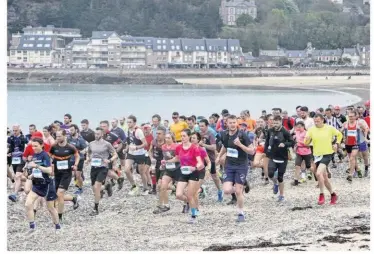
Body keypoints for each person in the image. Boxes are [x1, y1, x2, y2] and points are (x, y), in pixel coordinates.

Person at [216, 115, 255, 222]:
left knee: (238, 192)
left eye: (234, 122)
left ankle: (241, 213)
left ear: (236, 123)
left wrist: (240, 144)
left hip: (241, 165)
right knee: (227, 190)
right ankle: (242, 186)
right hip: (229, 165)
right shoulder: (224, 134)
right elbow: (225, 146)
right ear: (226, 124)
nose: (232, 125)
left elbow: (252, 151)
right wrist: (219, 156)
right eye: (230, 123)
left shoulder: (242, 135)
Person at [166, 129, 204, 224]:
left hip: (193, 173)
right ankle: (192, 204)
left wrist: (195, 167)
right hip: (183, 172)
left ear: (189, 137)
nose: (182, 138)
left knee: (190, 194)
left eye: (184, 136)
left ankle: (193, 215)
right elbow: (177, 158)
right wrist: (168, 161)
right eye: (181, 136)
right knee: (178, 194)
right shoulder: (179, 148)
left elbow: (200, 163)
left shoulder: (194, 148)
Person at [24, 138, 60, 233]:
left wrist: (36, 166)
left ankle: (57, 226)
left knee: (50, 208)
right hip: (37, 184)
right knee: (28, 204)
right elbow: (37, 170)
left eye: (36, 146)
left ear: (42, 145)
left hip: (47, 184)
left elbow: (49, 170)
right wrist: (32, 175)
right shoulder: (35, 155)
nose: (34, 148)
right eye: (32, 146)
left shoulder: (45, 156)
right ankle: (32, 226)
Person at [305, 114, 342, 205]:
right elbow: (306, 143)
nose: (316, 123)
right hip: (317, 155)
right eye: (315, 121)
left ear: (322, 120)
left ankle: (321, 195)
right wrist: (307, 140)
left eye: (318, 121)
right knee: (324, 178)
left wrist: (336, 144)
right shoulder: (311, 130)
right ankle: (333, 195)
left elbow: (339, 134)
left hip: (327, 154)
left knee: (318, 173)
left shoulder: (329, 128)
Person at [85, 127, 118, 216]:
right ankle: (107, 186)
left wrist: (110, 160)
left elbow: (115, 154)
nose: (96, 135)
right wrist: (88, 159)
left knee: (96, 187)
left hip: (103, 167)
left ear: (102, 134)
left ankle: (95, 208)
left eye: (98, 134)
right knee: (95, 189)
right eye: (95, 134)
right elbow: (88, 153)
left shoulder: (107, 144)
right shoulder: (91, 144)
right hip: (94, 167)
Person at [49, 130, 80, 222]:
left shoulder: (70, 147)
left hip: (66, 173)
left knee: (60, 193)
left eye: (59, 136)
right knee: (56, 195)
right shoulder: (54, 147)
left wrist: (75, 165)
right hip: (57, 173)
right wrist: (50, 164)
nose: (57, 138)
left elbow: (77, 156)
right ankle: (73, 198)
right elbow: (49, 156)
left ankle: (60, 217)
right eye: (56, 137)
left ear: (64, 136)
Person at [265, 115, 294, 201]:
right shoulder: (270, 131)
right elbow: (267, 142)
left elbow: (292, 142)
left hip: (283, 157)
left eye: (277, 123)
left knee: (280, 177)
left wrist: (284, 144)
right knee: (270, 174)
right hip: (273, 156)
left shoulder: (285, 131)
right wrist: (266, 152)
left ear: (280, 122)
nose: (275, 124)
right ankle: (275, 184)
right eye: (274, 123)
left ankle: (281, 195)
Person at [153, 132, 179, 214]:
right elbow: (164, 157)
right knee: (162, 186)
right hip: (168, 169)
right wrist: (163, 164)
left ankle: (187, 203)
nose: (167, 140)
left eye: (169, 138)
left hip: (178, 168)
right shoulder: (163, 147)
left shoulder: (177, 146)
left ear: (172, 139)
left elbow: (178, 158)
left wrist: (168, 160)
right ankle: (165, 205)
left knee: (181, 190)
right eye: (166, 138)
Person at [124, 115, 149, 195]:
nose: (128, 124)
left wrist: (137, 147)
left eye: (130, 122)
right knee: (126, 170)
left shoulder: (138, 131)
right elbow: (129, 142)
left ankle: (145, 188)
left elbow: (145, 144)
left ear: (134, 122)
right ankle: (134, 186)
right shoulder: (127, 130)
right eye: (127, 122)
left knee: (142, 172)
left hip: (140, 153)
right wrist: (126, 148)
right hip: (131, 153)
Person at [198, 119, 223, 201]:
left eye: (202, 126)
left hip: (210, 158)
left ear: (207, 126)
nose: (200, 128)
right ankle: (200, 190)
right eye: (199, 126)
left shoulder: (211, 134)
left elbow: (214, 147)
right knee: (198, 175)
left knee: (214, 176)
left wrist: (203, 145)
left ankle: (219, 191)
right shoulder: (198, 133)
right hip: (200, 158)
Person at [343, 111, 370, 180]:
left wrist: (366, 137)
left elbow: (367, 129)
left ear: (356, 116)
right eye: (349, 116)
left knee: (364, 156)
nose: (350, 118)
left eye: (352, 116)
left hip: (361, 141)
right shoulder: (346, 123)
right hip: (352, 144)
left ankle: (366, 168)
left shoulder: (361, 122)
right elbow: (342, 131)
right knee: (353, 157)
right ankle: (355, 171)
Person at [7, 124, 28, 202]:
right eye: (13, 130)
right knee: (18, 177)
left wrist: (26, 156)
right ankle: (27, 186)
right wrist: (6, 154)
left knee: (17, 176)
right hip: (14, 159)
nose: (15, 132)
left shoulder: (24, 138)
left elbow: (27, 147)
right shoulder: (10, 138)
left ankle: (14, 194)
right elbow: (8, 147)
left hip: (21, 159)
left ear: (19, 130)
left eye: (16, 130)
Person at [67, 124, 87, 195]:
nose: (71, 131)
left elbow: (85, 149)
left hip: (80, 159)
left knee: (78, 175)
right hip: (71, 158)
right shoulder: (68, 138)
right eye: (70, 130)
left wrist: (82, 152)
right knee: (70, 173)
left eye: (72, 130)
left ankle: (80, 188)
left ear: (76, 130)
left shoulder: (80, 139)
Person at [293, 121, 312, 186]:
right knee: (297, 166)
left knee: (308, 166)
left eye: (300, 127)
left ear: (303, 127)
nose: (298, 128)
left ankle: (310, 173)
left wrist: (299, 142)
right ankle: (296, 180)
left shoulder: (307, 133)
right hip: (299, 152)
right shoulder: (297, 132)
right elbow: (292, 134)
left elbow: (307, 143)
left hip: (306, 152)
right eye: (297, 127)